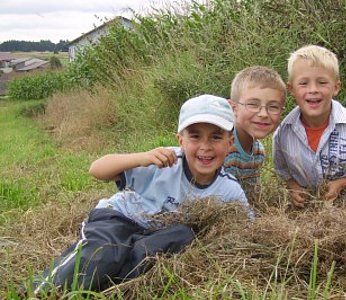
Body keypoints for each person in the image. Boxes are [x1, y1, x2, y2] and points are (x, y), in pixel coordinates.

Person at [32, 94, 250, 294]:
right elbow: (97, 169)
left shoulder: (228, 189)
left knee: (182, 236)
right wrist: (141, 157)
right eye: (195, 136)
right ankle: (43, 292)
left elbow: (246, 228)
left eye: (215, 137)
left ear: (230, 143)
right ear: (180, 140)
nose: (205, 146)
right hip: (118, 219)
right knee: (107, 251)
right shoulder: (164, 161)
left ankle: (105, 288)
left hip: (154, 235)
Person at [273, 45, 346, 207]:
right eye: (303, 83)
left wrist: (341, 184)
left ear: (336, 87)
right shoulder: (283, 133)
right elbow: (282, 169)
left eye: (322, 82)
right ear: (291, 89)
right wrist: (294, 187)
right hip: (310, 209)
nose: (313, 90)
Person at [224, 66, 286, 197]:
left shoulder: (258, 152)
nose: (263, 114)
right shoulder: (221, 145)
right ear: (233, 108)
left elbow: (252, 197)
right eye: (253, 104)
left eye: (273, 107)